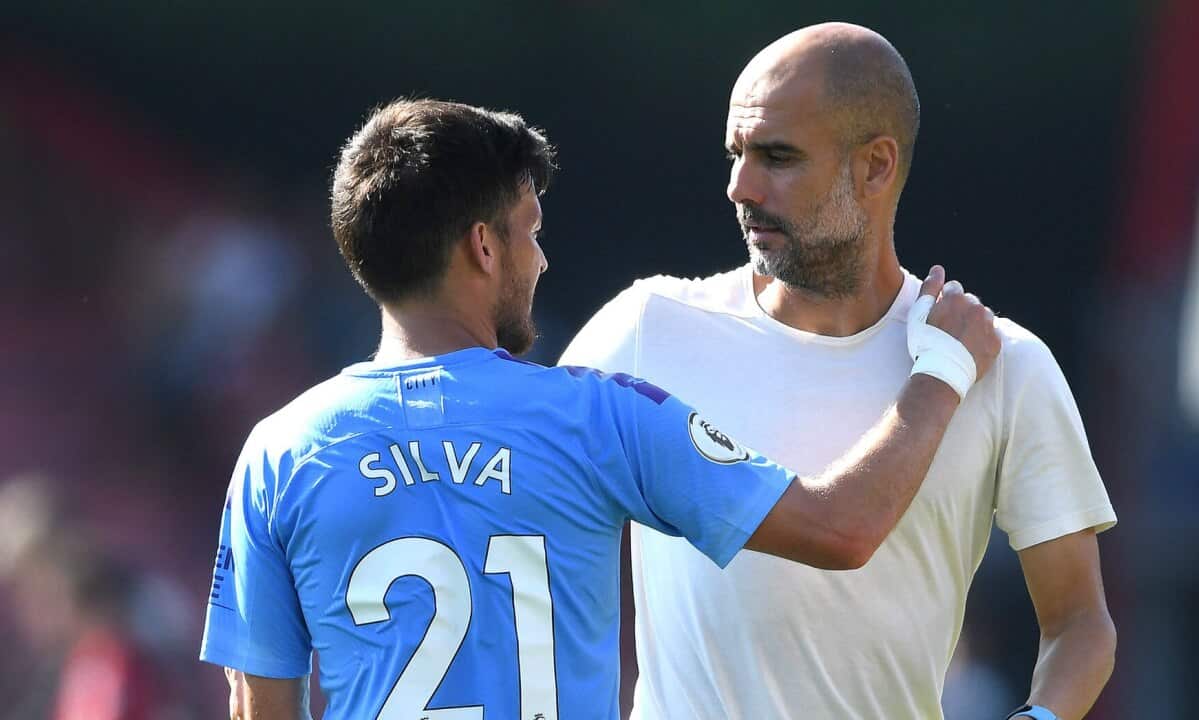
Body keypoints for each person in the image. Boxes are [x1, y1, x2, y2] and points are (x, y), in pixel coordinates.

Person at [197, 98, 998, 719]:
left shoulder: (279, 452)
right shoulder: (597, 417)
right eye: (530, 231)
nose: (541, 260)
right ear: (483, 247)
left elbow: (258, 706)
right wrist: (942, 371)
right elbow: (841, 529)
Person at [560, 22, 1117, 720]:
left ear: (876, 167)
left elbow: (1081, 626)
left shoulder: (1005, 364)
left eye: (778, 156)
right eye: (736, 153)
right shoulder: (647, 328)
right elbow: (514, 505)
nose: (739, 186)